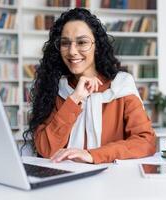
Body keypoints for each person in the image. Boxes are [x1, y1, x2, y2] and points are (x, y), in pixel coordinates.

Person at [23, 8, 156, 164]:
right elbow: (46, 149)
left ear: (96, 46)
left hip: (113, 180)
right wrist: (74, 99)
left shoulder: (121, 85)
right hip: (65, 180)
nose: (72, 51)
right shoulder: (55, 88)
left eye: (82, 42)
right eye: (65, 43)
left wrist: (93, 155)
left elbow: (145, 142)